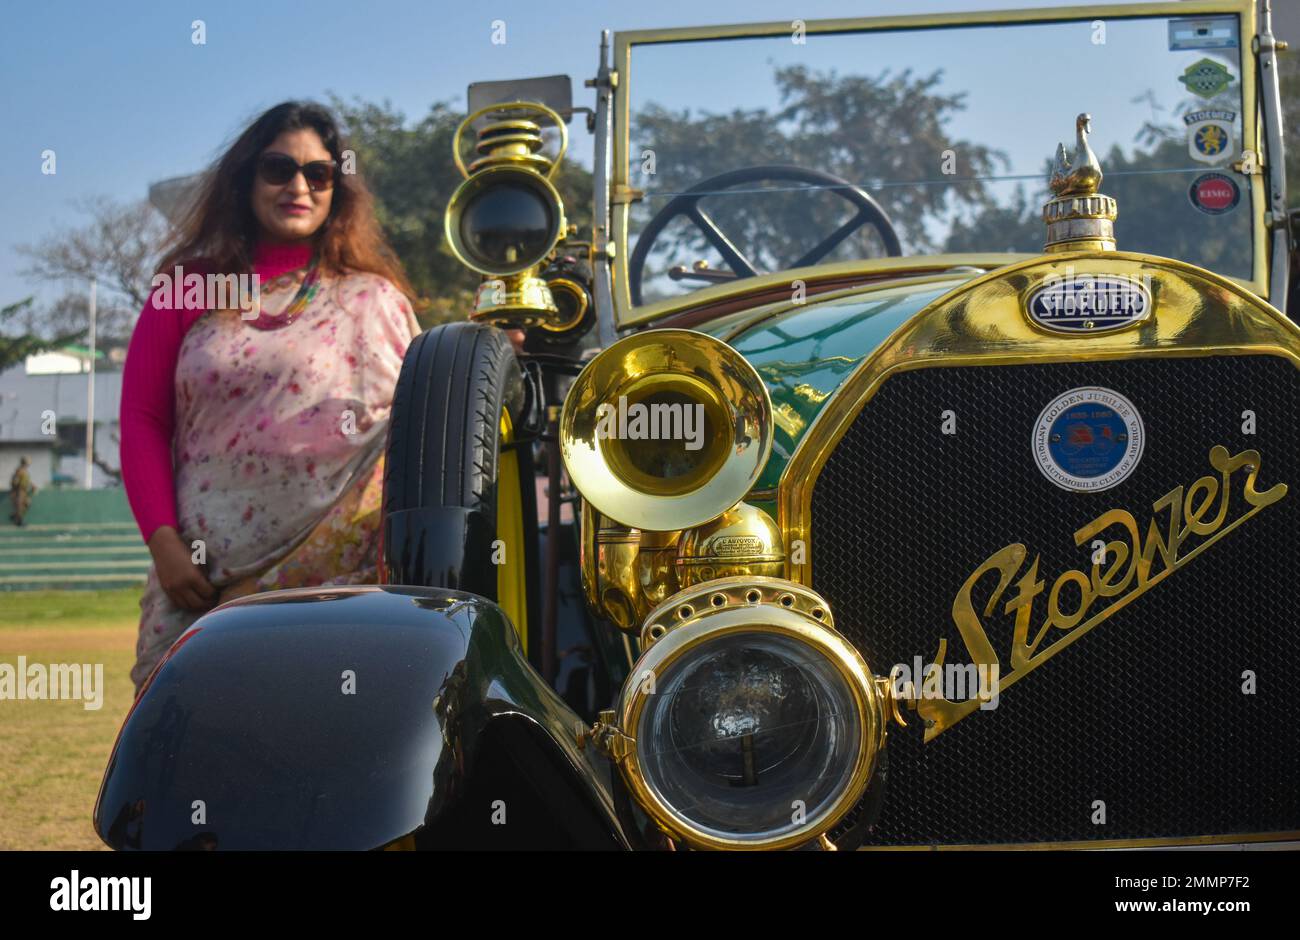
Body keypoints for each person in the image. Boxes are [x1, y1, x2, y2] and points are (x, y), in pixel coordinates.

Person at [121, 101, 419, 692]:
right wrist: (164, 543)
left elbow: (421, 421)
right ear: (246, 178)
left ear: (338, 188)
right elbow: (143, 418)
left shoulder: (373, 299)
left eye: (320, 173)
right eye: (278, 168)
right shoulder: (189, 287)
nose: (299, 186)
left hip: (344, 590)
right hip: (205, 578)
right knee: (191, 745)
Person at [9, 456, 36, 526]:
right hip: (19, 491)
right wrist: (16, 489)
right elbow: (15, 481)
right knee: (20, 507)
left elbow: (27, 480)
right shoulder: (19, 470)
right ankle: (19, 521)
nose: (29, 463)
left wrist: (32, 485)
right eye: (28, 462)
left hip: (24, 490)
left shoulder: (25, 470)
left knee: (27, 504)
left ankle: (15, 516)